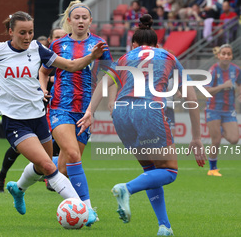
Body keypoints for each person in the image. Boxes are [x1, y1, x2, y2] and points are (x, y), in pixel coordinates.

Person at [0, 11, 106, 224]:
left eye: (30, 32)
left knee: (42, 166)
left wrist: (92, 57)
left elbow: (72, 66)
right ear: (11, 32)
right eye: (22, 33)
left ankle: (18, 189)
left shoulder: (39, 49)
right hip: (14, 121)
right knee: (50, 167)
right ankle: (84, 209)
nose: (27, 37)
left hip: (38, 117)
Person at [77, 14, 207, 236]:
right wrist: (196, 137)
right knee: (169, 171)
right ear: (157, 44)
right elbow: (191, 98)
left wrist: (90, 111)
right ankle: (126, 189)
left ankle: (164, 226)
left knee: (150, 170)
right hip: (149, 111)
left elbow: (103, 84)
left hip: (121, 113)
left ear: (133, 44)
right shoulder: (168, 56)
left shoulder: (126, 58)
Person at [39, 0, 113, 223]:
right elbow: (44, 71)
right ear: (69, 21)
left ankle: (25, 181)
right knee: (72, 154)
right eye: (76, 17)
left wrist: (102, 104)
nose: (80, 21)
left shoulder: (100, 44)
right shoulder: (58, 45)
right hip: (60, 107)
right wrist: (43, 90)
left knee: (62, 168)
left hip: (85, 110)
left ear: (90, 20)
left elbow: (109, 76)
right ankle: (88, 210)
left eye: (84, 17)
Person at [0, 27, 67, 193]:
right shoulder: (37, 53)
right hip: (28, 107)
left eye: (63, 37)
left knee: (55, 142)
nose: (59, 40)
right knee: (18, 147)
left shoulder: (64, 56)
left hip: (54, 106)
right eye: (56, 37)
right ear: (50, 39)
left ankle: (48, 175)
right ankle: (2, 176)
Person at [205, 44, 241, 177]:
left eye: (229, 54)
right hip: (213, 108)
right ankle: (212, 169)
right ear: (219, 56)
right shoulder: (213, 70)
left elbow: (240, 83)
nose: (226, 56)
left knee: (234, 139)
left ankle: (220, 130)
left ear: (231, 56)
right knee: (216, 141)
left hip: (229, 109)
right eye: (224, 53)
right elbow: (206, 90)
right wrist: (222, 86)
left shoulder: (236, 70)